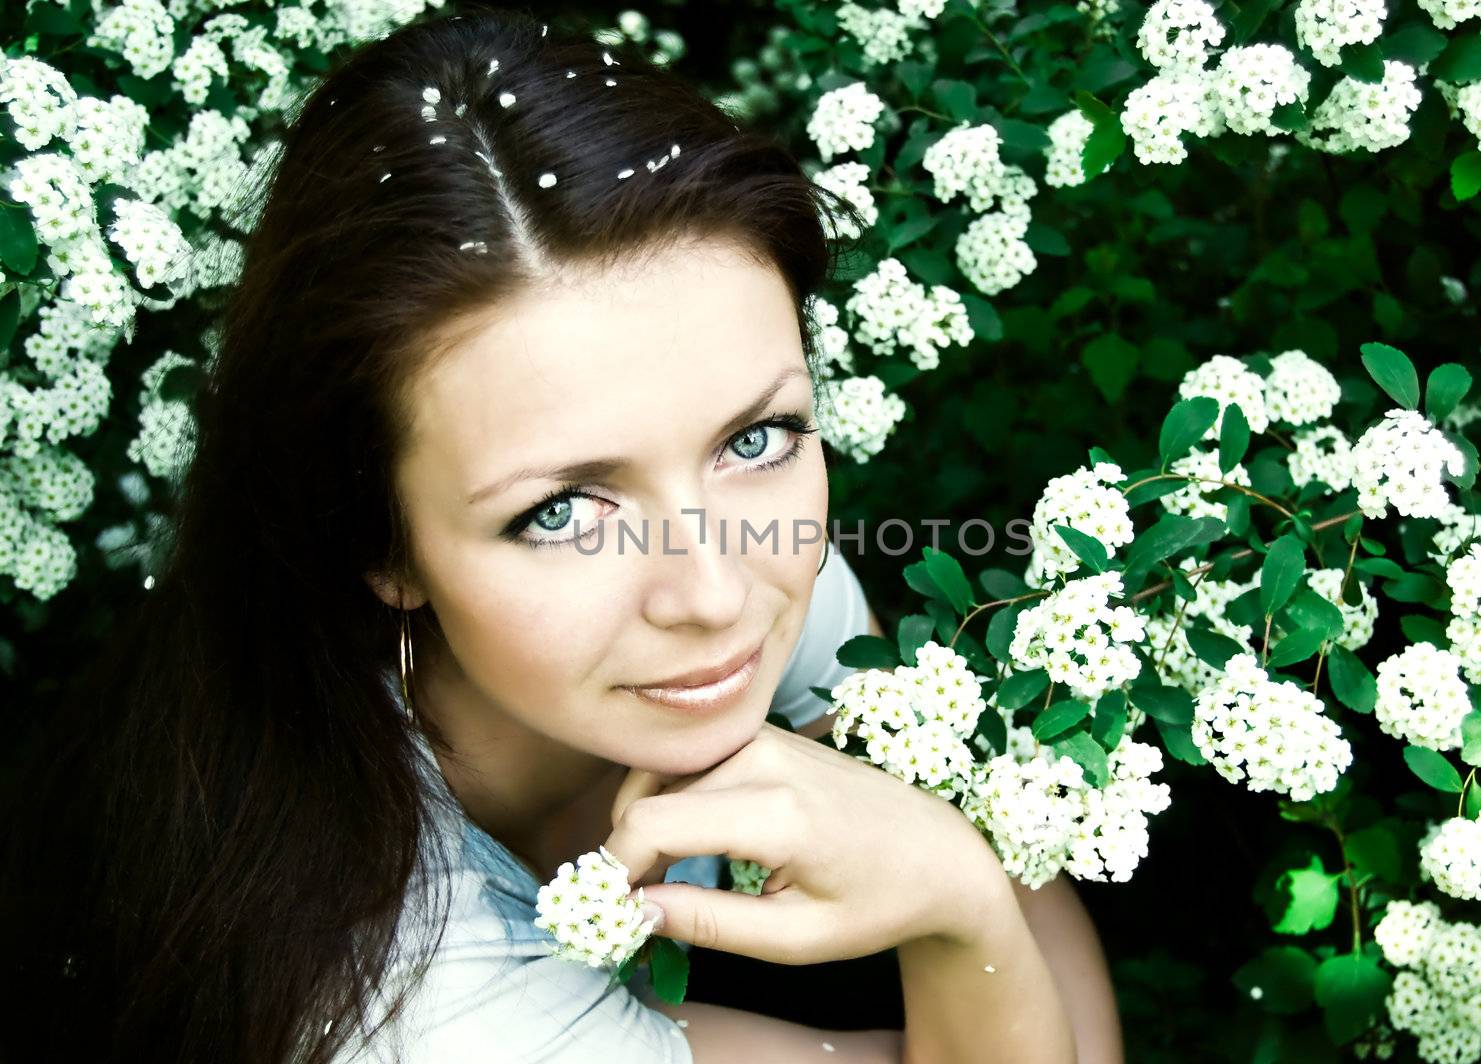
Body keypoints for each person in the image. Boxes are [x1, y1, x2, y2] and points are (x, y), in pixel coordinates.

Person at [1, 8, 1120, 1063]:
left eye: (756, 436)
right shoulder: (406, 994)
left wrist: (962, 876)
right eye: (562, 509)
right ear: (377, 539)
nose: (716, 590)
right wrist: (957, 904)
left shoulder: (738, 558)